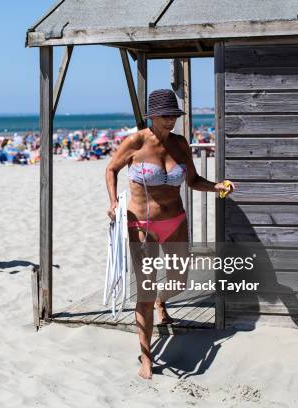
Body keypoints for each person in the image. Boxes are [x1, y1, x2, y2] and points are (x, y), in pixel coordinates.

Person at [105, 89, 235, 379]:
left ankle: (163, 301)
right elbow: (111, 169)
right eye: (165, 116)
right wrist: (113, 202)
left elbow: (193, 180)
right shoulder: (135, 142)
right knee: (145, 291)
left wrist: (217, 186)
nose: (171, 121)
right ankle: (147, 359)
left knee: (178, 281)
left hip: (175, 221)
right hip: (141, 225)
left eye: (174, 115)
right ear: (151, 116)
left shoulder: (180, 144)